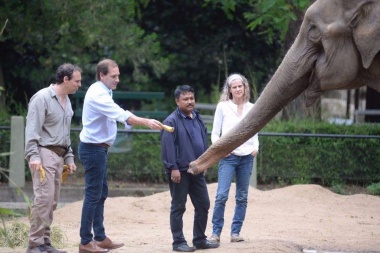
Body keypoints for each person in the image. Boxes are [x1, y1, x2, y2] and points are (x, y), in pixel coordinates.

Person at [78, 59, 163, 253]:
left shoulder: (104, 91)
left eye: (118, 76)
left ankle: (99, 237)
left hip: (99, 149)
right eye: (113, 76)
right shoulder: (98, 94)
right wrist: (146, 121)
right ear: (102, 75)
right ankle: (85, 241)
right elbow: (121, 115)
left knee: (101, 194)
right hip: (93, 149)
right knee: (93, 195)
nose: (118, 79)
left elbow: (119, 113)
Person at [24, 63, 82, 253]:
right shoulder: (42, 98)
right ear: (65, 79)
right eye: (77, 81)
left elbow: (64, 133)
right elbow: (32, 129)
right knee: (43, 199)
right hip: (44, 153)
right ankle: (34, 244)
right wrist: (33, 155)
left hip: (59, 155)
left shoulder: (67, 100)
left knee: (52, 200)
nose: (79, 85)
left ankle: (45, 243)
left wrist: (70, 157)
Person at [160, 85, 219, 252]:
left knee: (203, 204)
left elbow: (203, 141)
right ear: (177, 101)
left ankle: (200, 239)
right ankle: (178, 242)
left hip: (197, 170)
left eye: (191, 98)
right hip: (180, 171)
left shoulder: (197, 118)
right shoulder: (171, 121)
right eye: (185, 99)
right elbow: (167, 147)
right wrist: (173, 168)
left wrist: (205, 162)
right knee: (178, 206)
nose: (190, 101)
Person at [208, 73, 259, 243]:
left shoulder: (252, 107)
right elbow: (215, 133)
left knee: (242, 196)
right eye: (234, 87)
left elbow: (254, 130)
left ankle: (235, 232)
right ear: (229, 90)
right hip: (228, 157)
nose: (237, 89)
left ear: (245, 87)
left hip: (247, 157)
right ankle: (215, 232)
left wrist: (255, 147)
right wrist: (221, 149)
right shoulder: (222, 107)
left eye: (240, 86)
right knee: (221, 195)